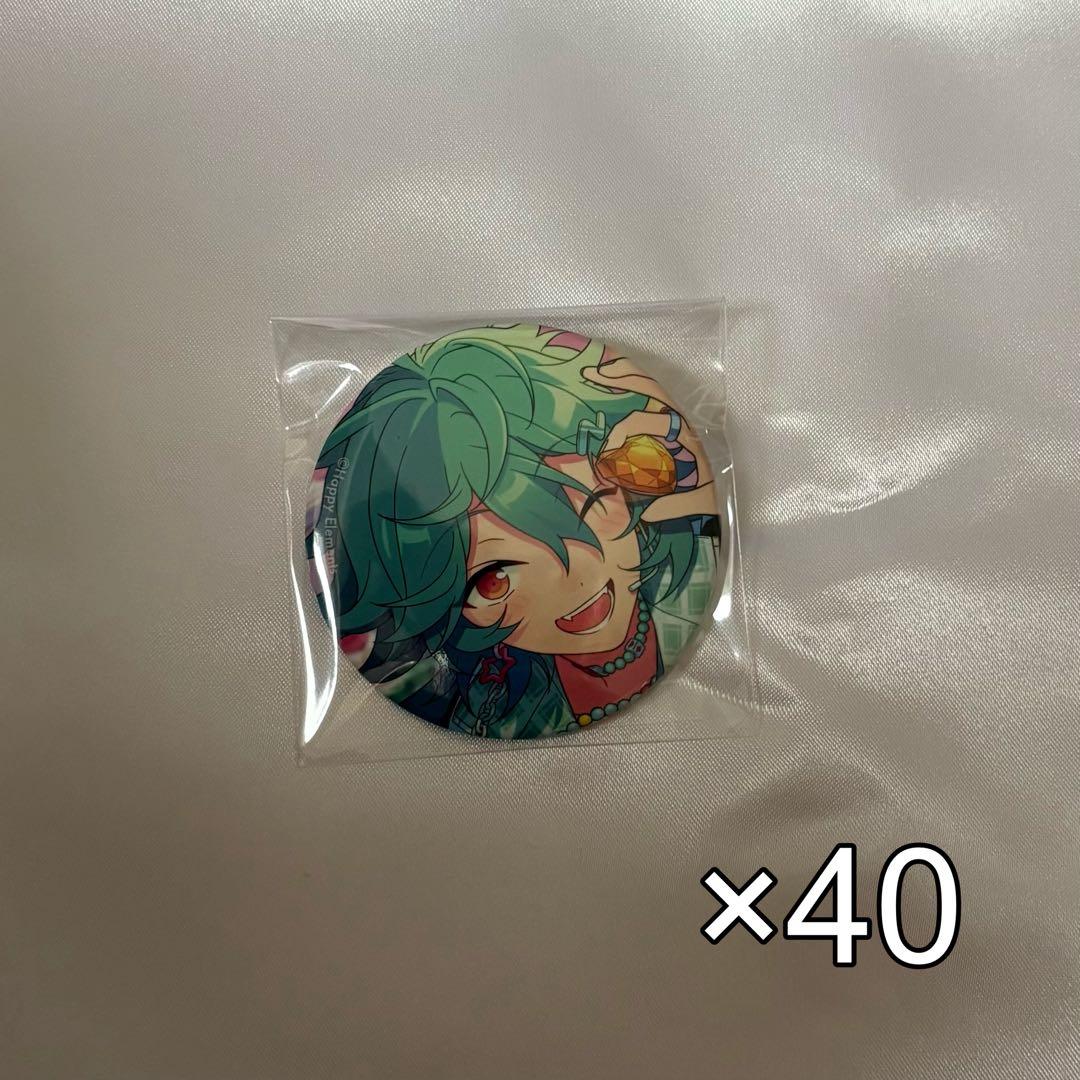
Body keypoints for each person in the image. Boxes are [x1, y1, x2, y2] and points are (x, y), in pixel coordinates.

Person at [308, 324, 720, 738]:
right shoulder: (490, 706)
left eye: (580, 510)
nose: (569, 580)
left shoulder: (692, 563)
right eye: (493, 581)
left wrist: (685, 475)